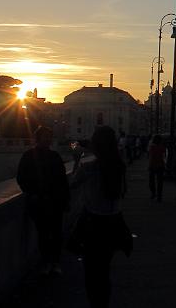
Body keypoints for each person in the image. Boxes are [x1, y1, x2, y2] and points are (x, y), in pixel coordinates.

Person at [70, 126, 132, 308]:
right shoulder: (119, 166)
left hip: (92, 224)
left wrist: (77, 159)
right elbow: (123, 192)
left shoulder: (88, 168)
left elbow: (73, 184)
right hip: (114, 223)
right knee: (104, 270)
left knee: (91, 272)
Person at [16, 126, 70, 275]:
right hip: (41, 201)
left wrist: (65, 200)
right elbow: (21, 178)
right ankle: (48, 262)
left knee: (55, 233)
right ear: (38, 139)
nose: (48, 140)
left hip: (53, 201)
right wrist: (33, 193)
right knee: (45, 234)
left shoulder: (52, 156)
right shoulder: (32, 156)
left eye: (49, 137)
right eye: (45, 137)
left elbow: (62, 181)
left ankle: (53, 262)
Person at [148, 134, 167, 202]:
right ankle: (159, 195)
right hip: (160, 166)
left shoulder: (152, 147)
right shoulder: (162, 147)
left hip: (153, 165)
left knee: (151, 181)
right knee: (160, 182)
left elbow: (151, 157)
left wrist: (149, 165)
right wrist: (165, 165)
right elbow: (164, 157)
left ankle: (153, 193)